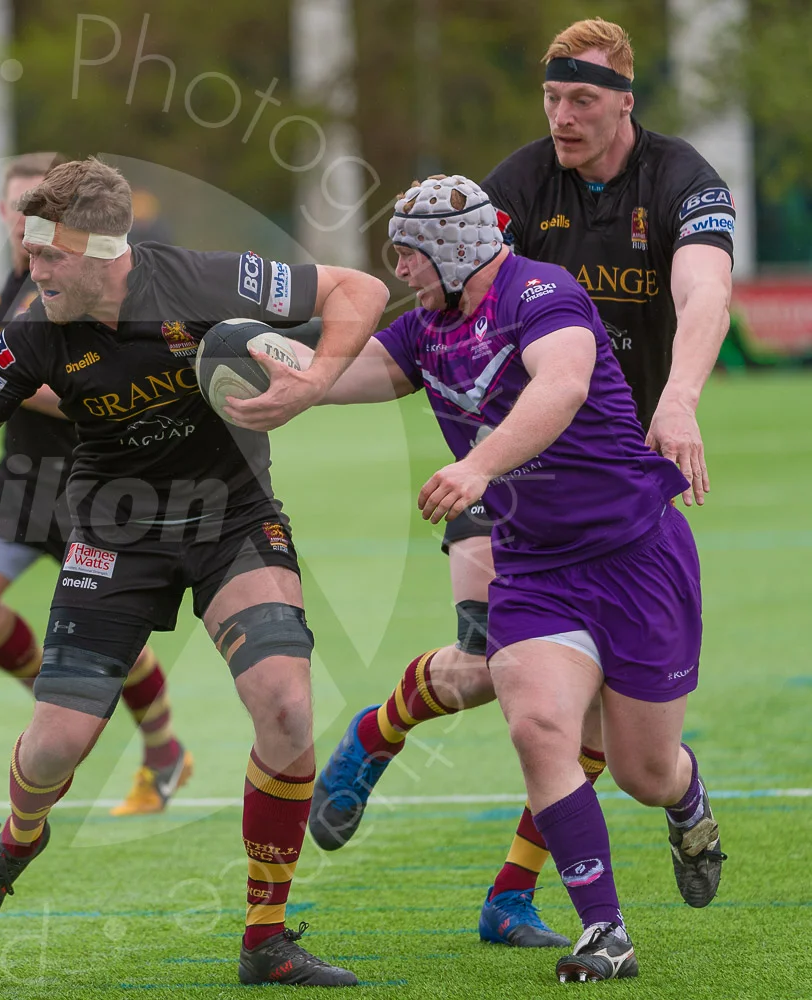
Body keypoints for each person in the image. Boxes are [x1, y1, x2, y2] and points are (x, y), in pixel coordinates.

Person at [0, 157, 391, 986]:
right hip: (115, 537)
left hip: (231, 519)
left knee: (287, 705)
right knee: (54, 748)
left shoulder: (204, 279)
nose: (32, 267)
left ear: (102, 250)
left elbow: (358, 289)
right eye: (28, 249)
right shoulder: (35, 331)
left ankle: (265, 939)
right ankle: (14, 842)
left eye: (48, 254)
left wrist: (314, 382)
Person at [306, 18, 735, 947]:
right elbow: (442, 288)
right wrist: (286, 377)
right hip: (504, 462)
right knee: (508, 675)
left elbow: (703, 293)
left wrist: (680, 399)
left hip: (622, 464)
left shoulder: (681, 179)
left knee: (616, 745)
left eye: (582, 99)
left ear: (625, 101)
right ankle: (385, 743)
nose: (562, 116)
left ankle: (513, 886)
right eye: (551, 98)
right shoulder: (521, 180)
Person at [232, 173, 723, 981]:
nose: (399, 269)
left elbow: (562, 385)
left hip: (636, 555)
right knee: (537, 727)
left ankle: (688, 801)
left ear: (454, 251)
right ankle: (604, 931)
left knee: (644, 771)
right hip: (533, 565)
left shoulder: (542, 294)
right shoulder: (425, 328)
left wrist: (478, 465)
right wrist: (258, 358)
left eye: (409, 254)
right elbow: (342, 372)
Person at [0, 153, 192, 816]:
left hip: (87, 484)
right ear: (5, 212)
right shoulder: (15, 284)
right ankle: (63, 698)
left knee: (110, 641)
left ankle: (163, 749)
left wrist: (1, 387)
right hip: (20, 477)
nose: (31, 223)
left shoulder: (79, 287)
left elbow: (87, 397)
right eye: (20, 206)